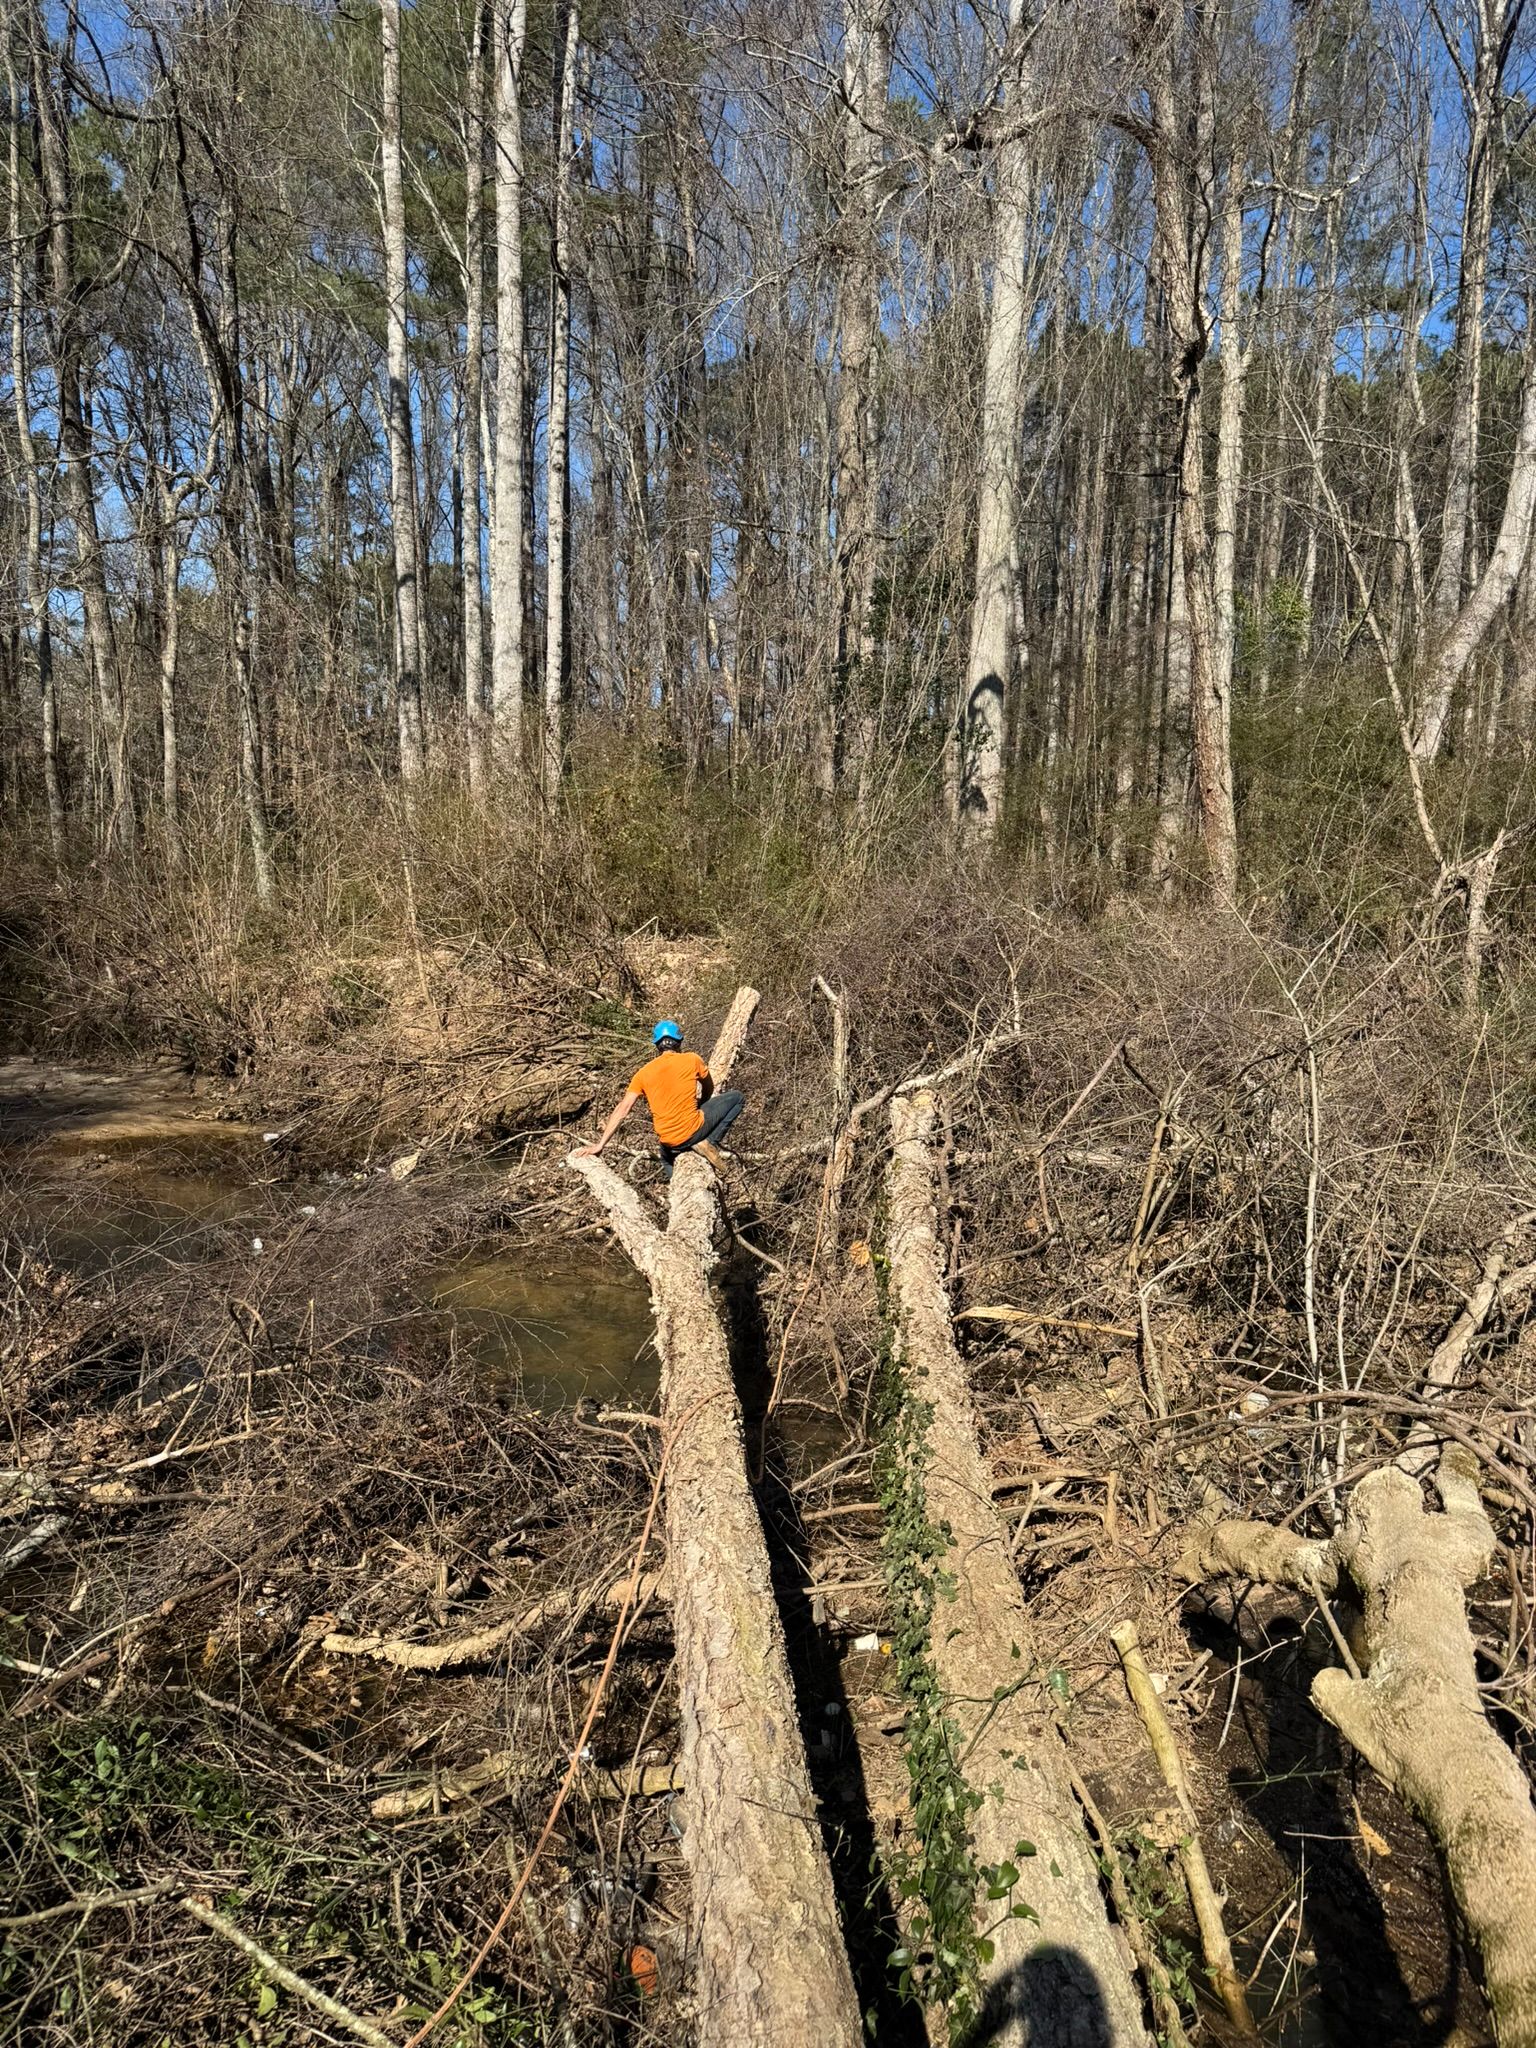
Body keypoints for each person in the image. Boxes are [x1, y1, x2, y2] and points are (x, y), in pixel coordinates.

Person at [574, 1020, 745, 1178]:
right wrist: (703, 1103)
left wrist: (600, 1144)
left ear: (657, 1045)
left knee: (665, 1158)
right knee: (737, 1098)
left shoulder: (642, 1074)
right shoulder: (692, 1059)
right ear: (679, 1042)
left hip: (670, 1142)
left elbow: (623, 1109)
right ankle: (710, 1142)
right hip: (693, 1131)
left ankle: (677, 1184)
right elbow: (709, 1087)